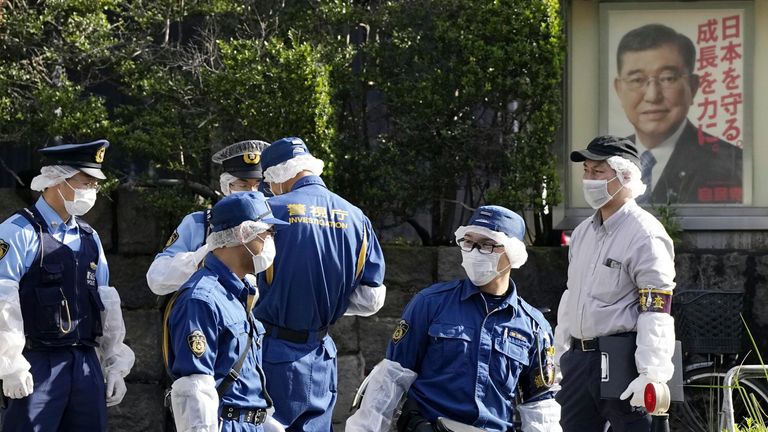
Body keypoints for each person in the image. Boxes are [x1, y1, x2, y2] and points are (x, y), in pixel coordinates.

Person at [347, 205, 561, 432]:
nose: (475, 251)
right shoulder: (430, 303)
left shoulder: (534, 326)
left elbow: (540, 407)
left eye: (487, 244)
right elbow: (390, 379)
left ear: (513, 253)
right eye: (469, 242)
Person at [0, 140, 135, 431]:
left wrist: (114, 364)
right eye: (85, 182)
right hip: (37, 363)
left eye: (95, 184)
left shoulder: (89, 237)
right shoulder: (17, 233)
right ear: (57, 181)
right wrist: (10, 364)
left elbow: (106, 305)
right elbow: (2, 300)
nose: (92, 190)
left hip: (85, 363)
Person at [254, 136, 386, 431]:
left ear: (277, 174)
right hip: (322, 355)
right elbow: (371, 298)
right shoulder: (357, 217)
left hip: (272, 353)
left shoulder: (268, 211)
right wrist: (327, 297)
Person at [554, 135, 676, 431]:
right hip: (579, 361)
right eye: (586, 171)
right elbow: (572, 297)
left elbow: (656, 308)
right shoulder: (582, 232)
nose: (589, 179)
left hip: (623, 361)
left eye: (598, 172)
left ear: (626, 176)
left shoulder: (645, 234)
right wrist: (561, 355)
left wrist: (651, 373)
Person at [166, 192, 287, 432]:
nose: (271, 239)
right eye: (267, 232)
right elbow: (194, 389)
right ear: (244, 234)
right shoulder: (201, 299)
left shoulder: (237, 293)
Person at [613, 23, 742, 204]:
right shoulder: (609, 160)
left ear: (693, 86)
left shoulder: (732, 164)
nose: (652, 96)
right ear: (618, 89)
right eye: (637, 80)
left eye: (667, 78)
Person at [147, 139, 270, 295]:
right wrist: (204, 257)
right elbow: (156, 277)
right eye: (243, 185)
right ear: (227, 185)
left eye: (258, 185)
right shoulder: (198, 223)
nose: (252, 192)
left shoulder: (277, 224)